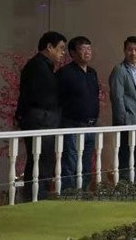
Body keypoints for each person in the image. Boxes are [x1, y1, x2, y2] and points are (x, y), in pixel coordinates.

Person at [15, 31, 67, 201]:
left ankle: (37, 196)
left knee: (40, 160)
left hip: (42, 118)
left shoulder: (42, 66)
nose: (63, 53)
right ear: (49, 47)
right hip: (41, 119)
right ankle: (37, 197)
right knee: (41, 161)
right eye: (61, 48)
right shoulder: (38, 66)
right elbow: (41, 97)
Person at [57, 36, 100, 191]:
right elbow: (58, 99)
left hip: (91, 125)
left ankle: (83, 192)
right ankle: (68, 194)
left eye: (89, 48)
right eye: (82, 49)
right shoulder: (65, 73)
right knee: (70, 161)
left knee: (86, 163)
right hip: (72, 124)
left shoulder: (92, 72)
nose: (87, 52)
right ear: (73, 53)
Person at [109, 36, 136, 182]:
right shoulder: (120, 70)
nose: (133, 53)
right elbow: (117, 98)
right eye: (130, 49)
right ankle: (124, 187)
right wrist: (123, 121)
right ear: (124, 50)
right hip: (127, 119)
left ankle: (134, 185)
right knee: (125, 157)